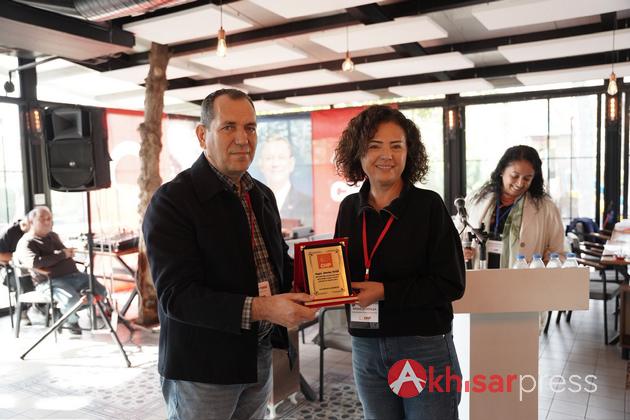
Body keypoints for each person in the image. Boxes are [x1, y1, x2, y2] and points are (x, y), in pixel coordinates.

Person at [142, 88, 318, 420]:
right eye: (228, 127)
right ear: (202, 135)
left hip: (259, 353)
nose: (242, 138)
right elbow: (178, 297)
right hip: (203, 369)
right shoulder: (172, 202)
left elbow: (278, 266)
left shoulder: (261, 194)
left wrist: (324, 281)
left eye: (250, 128)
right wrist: (266, 308)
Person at [333, 105, 465, 419]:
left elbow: (451, 283)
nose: (386, 155)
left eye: (396, 146)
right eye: (374, 146)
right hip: (366, 346)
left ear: (409, 153)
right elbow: (338, 272)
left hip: (422, 345)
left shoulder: (428, 206)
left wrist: (384, 291)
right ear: (358, 152)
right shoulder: (349, 208)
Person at [461, 145, 565, 268]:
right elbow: (457, 234)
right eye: (515, 176)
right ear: (502, 171)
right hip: (481, 273)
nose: (520, 183)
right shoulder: (476, 199)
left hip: (524, 277)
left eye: (527, 178)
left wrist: (544, 269)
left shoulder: (546, 207)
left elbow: (558, 252)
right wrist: (461, 251)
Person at [15, 206, 108, 334]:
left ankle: (64, 312)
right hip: (49, 281)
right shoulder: (26, 242)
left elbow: (63, 252)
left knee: (101, 291)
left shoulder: (52, 236)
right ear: (31, 222)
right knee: (72, 301)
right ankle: (71, 320)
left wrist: (66, 253)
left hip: (74, 276)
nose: (47, 222)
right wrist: (62, 255)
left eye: (49, 218)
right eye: (42, 219)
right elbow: (35, 263)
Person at [258, 134, 312, 228]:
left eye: (281, 157)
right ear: (260, 164)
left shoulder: (308, 203)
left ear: (291, 163)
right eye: (269, 158)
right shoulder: (254, 202)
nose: (275, 164)